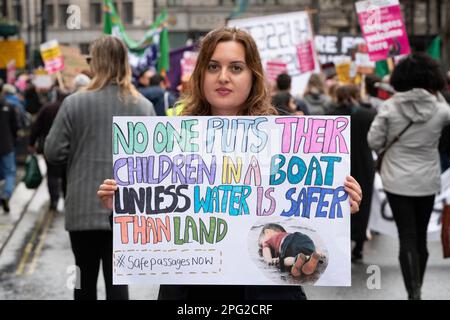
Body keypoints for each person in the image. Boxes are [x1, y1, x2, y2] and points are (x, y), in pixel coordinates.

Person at [97, 27, 363, 300]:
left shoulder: (284, 138)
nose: (223, 77)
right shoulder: (170, 142)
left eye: (236, 68)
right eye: (213, 66)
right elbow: (154, 235)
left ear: (252, 76)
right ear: (201, 74)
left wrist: (340, 206)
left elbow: (312, 223)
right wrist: (123, 206)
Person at [44, 36, 156, 300]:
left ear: (97, 63)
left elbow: (52, 151)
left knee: (82, 281)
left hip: (82, 207)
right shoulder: (144, 106)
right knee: (119, 284)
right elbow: (153, 164)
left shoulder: (74, 103)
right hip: (125, 209)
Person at [368, 53, 450, 300]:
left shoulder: (390, 106)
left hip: (396, 180)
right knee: (421, 237)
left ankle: (412, 291)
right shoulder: (441, 109)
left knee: (407, 236)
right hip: (427, 178)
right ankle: (418, 286)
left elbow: (373, 140)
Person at [327, 85, 376, 262]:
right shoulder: (368, 114)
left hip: (337, 164)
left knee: (337, 202)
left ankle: (340, 244)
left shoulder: (330, 114)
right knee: (362, 201)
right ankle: (359, 246)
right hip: (363, 162)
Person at [29, 88, 69, 211]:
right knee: (66, 175)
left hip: (49, 147)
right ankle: (66, 199)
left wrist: (31, 143)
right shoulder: (71, 109)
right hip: (69, 148)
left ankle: (54, 200)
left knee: (52, 175)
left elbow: (36, 126)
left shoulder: (47, 108)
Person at [258, 223, 323, 278]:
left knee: (283, 261)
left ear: (267, 232)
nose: (262, 245)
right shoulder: (288, 234)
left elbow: (266, 250)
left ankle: (295, 260)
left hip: (288, 244)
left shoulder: (268, 241)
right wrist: (318, 251)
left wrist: (268, 259)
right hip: (305, 239)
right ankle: (310, 259)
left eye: (261, 244)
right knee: (308, 251)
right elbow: (312, 245)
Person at [0, 96, 19, 213]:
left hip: (7, 144)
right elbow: (15, 127)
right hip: (7, 145)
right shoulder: (9, 106)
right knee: (10, 173)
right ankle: (6, 195)